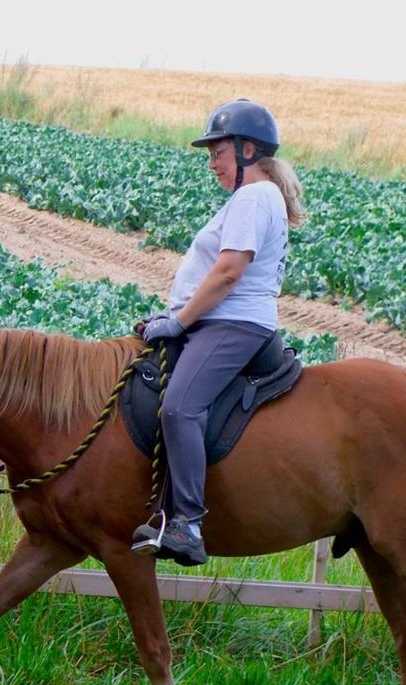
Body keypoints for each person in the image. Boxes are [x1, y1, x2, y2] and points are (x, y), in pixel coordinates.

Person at [131, 98, 306, 567]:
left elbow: (229, 271)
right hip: (219, 319)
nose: (212, 164)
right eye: (210, 155)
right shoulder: (255, 197)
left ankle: (187, 523)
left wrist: (181, 319)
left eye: (219, 153)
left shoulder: (253, 197)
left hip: (232, 323)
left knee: (181, 407)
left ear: (248, 151)